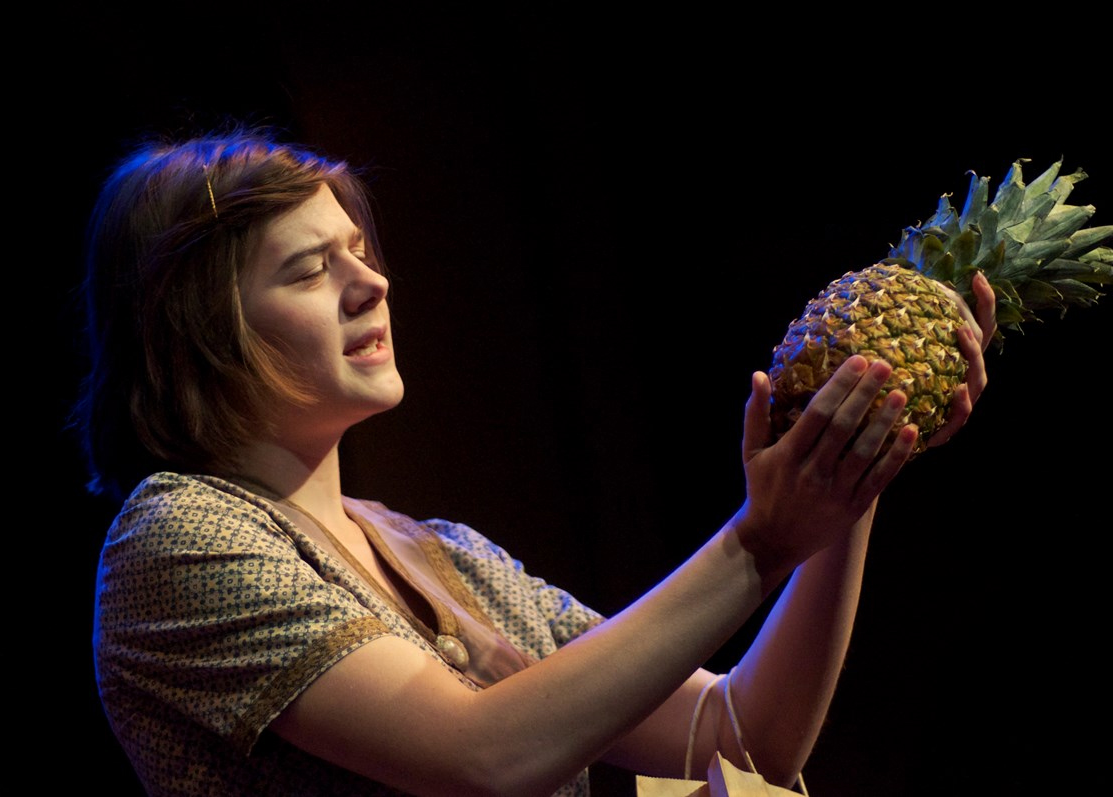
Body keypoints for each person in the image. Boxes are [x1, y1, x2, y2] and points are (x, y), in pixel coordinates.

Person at [79, 124, 995, 797]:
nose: (373, 283)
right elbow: (481, 755)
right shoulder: (177, 536)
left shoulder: (440, 553)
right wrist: (756, 542)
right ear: (199, 328)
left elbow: (744, 736)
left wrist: (855, 471)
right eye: (310, 270)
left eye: (360, 251)